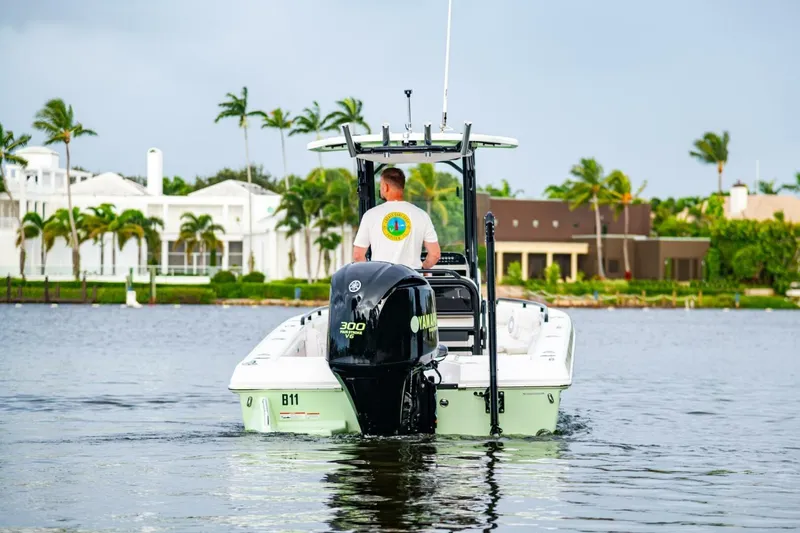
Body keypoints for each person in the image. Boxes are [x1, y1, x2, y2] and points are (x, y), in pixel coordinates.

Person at [352, 167, 441, 270]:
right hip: (412, 280)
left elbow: (358, 255)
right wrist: (422, 269)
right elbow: (435, 254)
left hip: (382, 280)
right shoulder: (421, 215)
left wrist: (371, 274)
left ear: (385, 187)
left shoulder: (370, 215)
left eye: (381, 186)